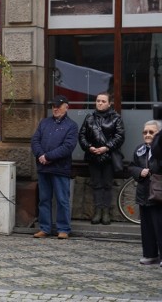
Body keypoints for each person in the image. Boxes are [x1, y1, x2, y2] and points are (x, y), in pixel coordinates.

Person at [31, 95, 79, 240]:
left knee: (62, 200)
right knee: (44, 199)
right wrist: (40, 155)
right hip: (43, 168)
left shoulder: (71, 125)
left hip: (60, 168)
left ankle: (63, 229)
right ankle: (44, 228)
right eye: (53, 106)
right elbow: (35, 140)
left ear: (66, 107)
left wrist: (48, 157)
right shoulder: (44, 122)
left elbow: (68, 147)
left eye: (59, 106)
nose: (56, 109)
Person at [78, 92, 125, 225]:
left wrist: (106, 147)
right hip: (93, 157)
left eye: (103, 101)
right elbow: (82, 135)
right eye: (98, 100)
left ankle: (106, 212)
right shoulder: (89, 118)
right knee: (97, 184)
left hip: (109, 158)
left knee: (107, 185)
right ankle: (97, 211)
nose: (100, 103)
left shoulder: (116, 118)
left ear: (109, 103)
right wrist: (89, 147)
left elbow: (120, 136)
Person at [130, 120, 162, 266]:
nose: (147, 135)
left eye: (151, 132)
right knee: (147, 228)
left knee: (159, 226)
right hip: (144, 193)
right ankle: (150, 254)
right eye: (145, 132)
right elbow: (132, 167)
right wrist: (139, 172)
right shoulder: (139, 149)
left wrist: (152, 170)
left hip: (158, 194)